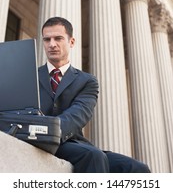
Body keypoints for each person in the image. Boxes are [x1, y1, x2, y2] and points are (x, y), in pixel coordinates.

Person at [38, 16, 150, 173]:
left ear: (71, 42)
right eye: (47, 39)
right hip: (37, 140)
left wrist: (48, 130)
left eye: (58, 38)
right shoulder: (30, 76)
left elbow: (78, 115)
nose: (52, 44)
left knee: (138, 169)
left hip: (70, 141)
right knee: (93, 156)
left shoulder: (87, 81)